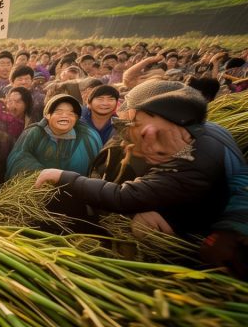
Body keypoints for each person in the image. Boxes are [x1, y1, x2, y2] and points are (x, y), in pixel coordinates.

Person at [35, 80, 237, 237]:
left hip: (183, 235)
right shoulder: (203, 131)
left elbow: (126, 196)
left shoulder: (188, 152)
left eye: (135, 118)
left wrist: (63, 176)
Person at [6, 94, 102, 178]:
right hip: (39, 191)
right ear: (47, 115)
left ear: (76, 118)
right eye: (59, 112)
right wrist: (41, 174)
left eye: (71, 113)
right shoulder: (33, 132)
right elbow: (17, 158)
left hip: (75, 192)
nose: (65, 116)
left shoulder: (88, 137)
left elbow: (97, 168)